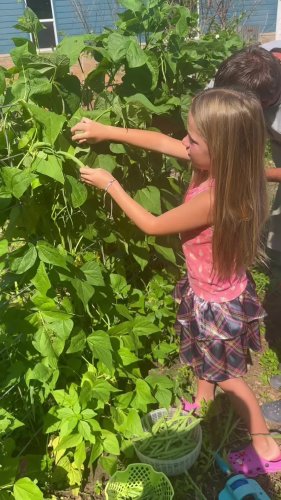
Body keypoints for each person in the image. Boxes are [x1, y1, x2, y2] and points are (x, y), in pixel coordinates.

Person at [72, 43, 281, 424]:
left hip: (219, 305)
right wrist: (107, 130)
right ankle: (202, 406)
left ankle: (262, 443)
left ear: (219, 150)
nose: (184, 144)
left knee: (231, 380)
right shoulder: (228, 169)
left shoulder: (215, 198)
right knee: (207, 358)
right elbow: (159, 141)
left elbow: (152, 225)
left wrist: (111, 185)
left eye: (193, 140)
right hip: (210, 290)